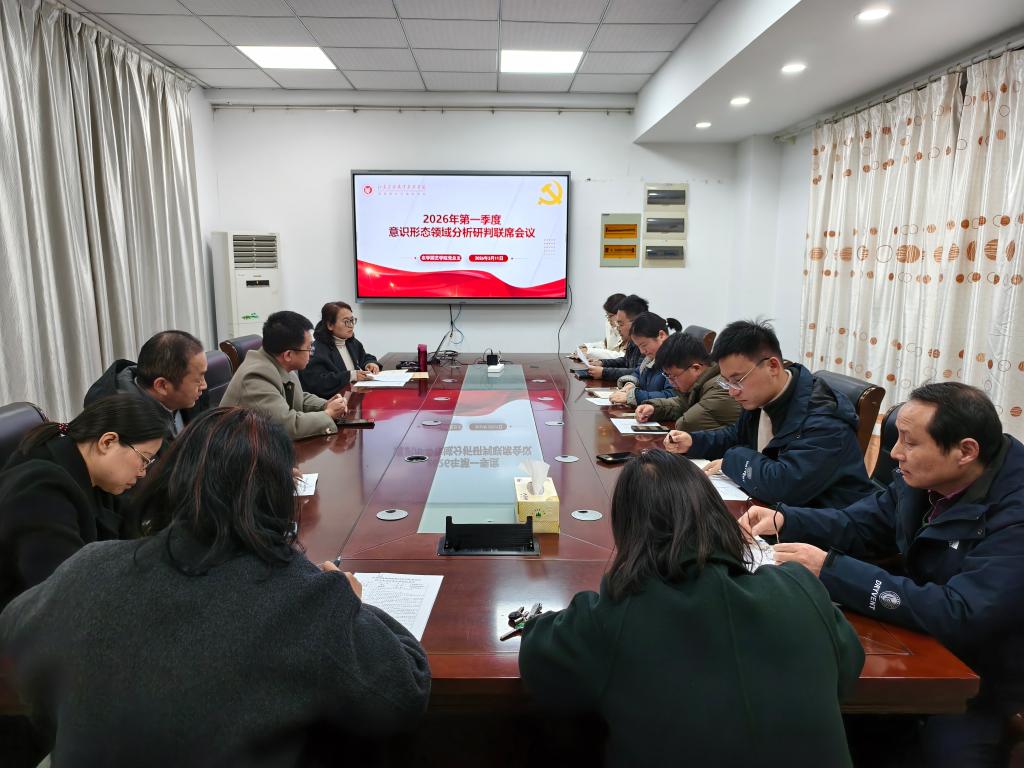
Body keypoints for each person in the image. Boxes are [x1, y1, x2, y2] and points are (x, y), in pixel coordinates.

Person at [0, 407, 431, 767]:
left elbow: (15, 633)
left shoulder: (88, 566)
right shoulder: (307, 597)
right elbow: (404, 692)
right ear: (279, 496)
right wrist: (352, 605)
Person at [518, 450, 864, 767]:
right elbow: (847, 664)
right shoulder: (800, 590)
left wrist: (540, 621)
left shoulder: (615, 615)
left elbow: (540, 663)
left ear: (628, 532)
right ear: (717, 514)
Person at [740, 383, 1024, 767]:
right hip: (918, 637)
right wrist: (786, 519)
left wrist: (831, 570)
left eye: (910, 442)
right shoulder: (920, 480)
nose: (895, 453)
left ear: (966, 451)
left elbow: (963, 612)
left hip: (987, 675)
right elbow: (859, 524)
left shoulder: (1014, 513)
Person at [663, 319, 874, 508]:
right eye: (727, 382)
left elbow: (785, 486)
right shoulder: (761, 397)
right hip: (772, 508)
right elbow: (737, 435)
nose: (732, 392)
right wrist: (693, 442)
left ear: (773, 366)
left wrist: (731, 460)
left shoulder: (824, 418)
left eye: (737, 380)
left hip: (823, 522)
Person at [0, 394, 168, 609]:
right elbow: (65, 592)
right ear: (107, 442)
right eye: (143, 459)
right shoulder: (40, 490)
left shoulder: (97, 479)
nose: (143, 472)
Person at [221, 310, 348, 439]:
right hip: (241, 449)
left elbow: (299, 398)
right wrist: (328, 414)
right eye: (309, 347)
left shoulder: (278, 361)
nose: (311, 352)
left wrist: (326, 405)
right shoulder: (256, 377)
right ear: (288, 355)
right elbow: (287, 427)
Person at [84, 330, 209, 436]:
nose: (204, 385)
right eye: (198, 379)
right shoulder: (119, 428)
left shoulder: (191, 396)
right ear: (162, 386)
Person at [635, 331, 741, 431]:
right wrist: (654, 408)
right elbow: (684, 403)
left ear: (696, 368)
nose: (670, 382)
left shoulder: (720, 388)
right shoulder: (700, 384)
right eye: (667, 376)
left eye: (673, 376)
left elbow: (686, 424)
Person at [299, 301, 380, 398]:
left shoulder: (351, 342)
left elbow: (365, 357)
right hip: (329, 402)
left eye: (352, 320)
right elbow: (319, 382)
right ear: (330, 325)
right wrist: (351, 376)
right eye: (346, 321)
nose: (351, 325)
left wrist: (370, 364)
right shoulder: (317, 349)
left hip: (352, 397)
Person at [607, 312, 676, 406]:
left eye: (644, 345)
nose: (642, 351)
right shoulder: (651, 358)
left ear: (661, 335)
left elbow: (672, 396)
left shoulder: (675, 359)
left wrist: (634, 396)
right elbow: (638, 373)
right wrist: (630, 385)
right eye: (638, 346)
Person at [586, 294, 648, 381]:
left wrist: (604, 372)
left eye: (621, 324)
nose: (618, 328)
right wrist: (602, 363)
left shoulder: (648, 341)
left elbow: (638, 372)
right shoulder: (633, 339)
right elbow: (625, 361)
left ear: (636, 322)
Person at [579, 293, 626, 360]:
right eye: (607, 315)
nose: (608, 319)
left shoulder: (629, 329)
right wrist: (587, 347)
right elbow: (607, 346)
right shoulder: (610, 324)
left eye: (610, 316)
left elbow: (622, 356)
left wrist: (590, 352)